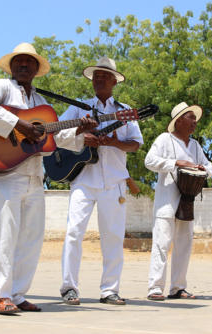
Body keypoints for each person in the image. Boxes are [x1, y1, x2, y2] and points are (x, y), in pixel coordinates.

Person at [0, 42, 96, 315]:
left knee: (31, 238)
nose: (24, 66)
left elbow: (57, 138)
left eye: (30, 62)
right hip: (7, 173)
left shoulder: (43, 105)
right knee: (4, 236)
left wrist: (80, 131)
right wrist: (19, 124)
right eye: (20, 61)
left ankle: (17, 294)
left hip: (34, 176)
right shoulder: (1, 88)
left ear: (37, 69)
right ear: (12, 65)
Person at [58, 57, 143, 306]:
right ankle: (69, 288)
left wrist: (112, 142)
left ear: (114, 81)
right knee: (73, 233)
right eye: (96, 76)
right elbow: (58, 136)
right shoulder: (79, 107)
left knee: (113, 237)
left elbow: (136, 144)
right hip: (84, 179)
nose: (99, 79)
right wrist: (81, 135)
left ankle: (110, 290)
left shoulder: (125, 111)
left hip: (114, 181)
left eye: (105, 76)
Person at [144, 102, 212, 301]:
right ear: (179, 120)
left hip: (187, 201)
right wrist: (175, 163)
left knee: (184, 244)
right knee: (161, 244)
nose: (194, 122)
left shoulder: (195, 145)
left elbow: (210, 166)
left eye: (195, 119)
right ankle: (155, 288)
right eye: (191, 118)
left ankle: (178, 288)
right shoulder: (165, 139)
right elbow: (149, 161)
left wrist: (203, 170)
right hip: (166, 201)